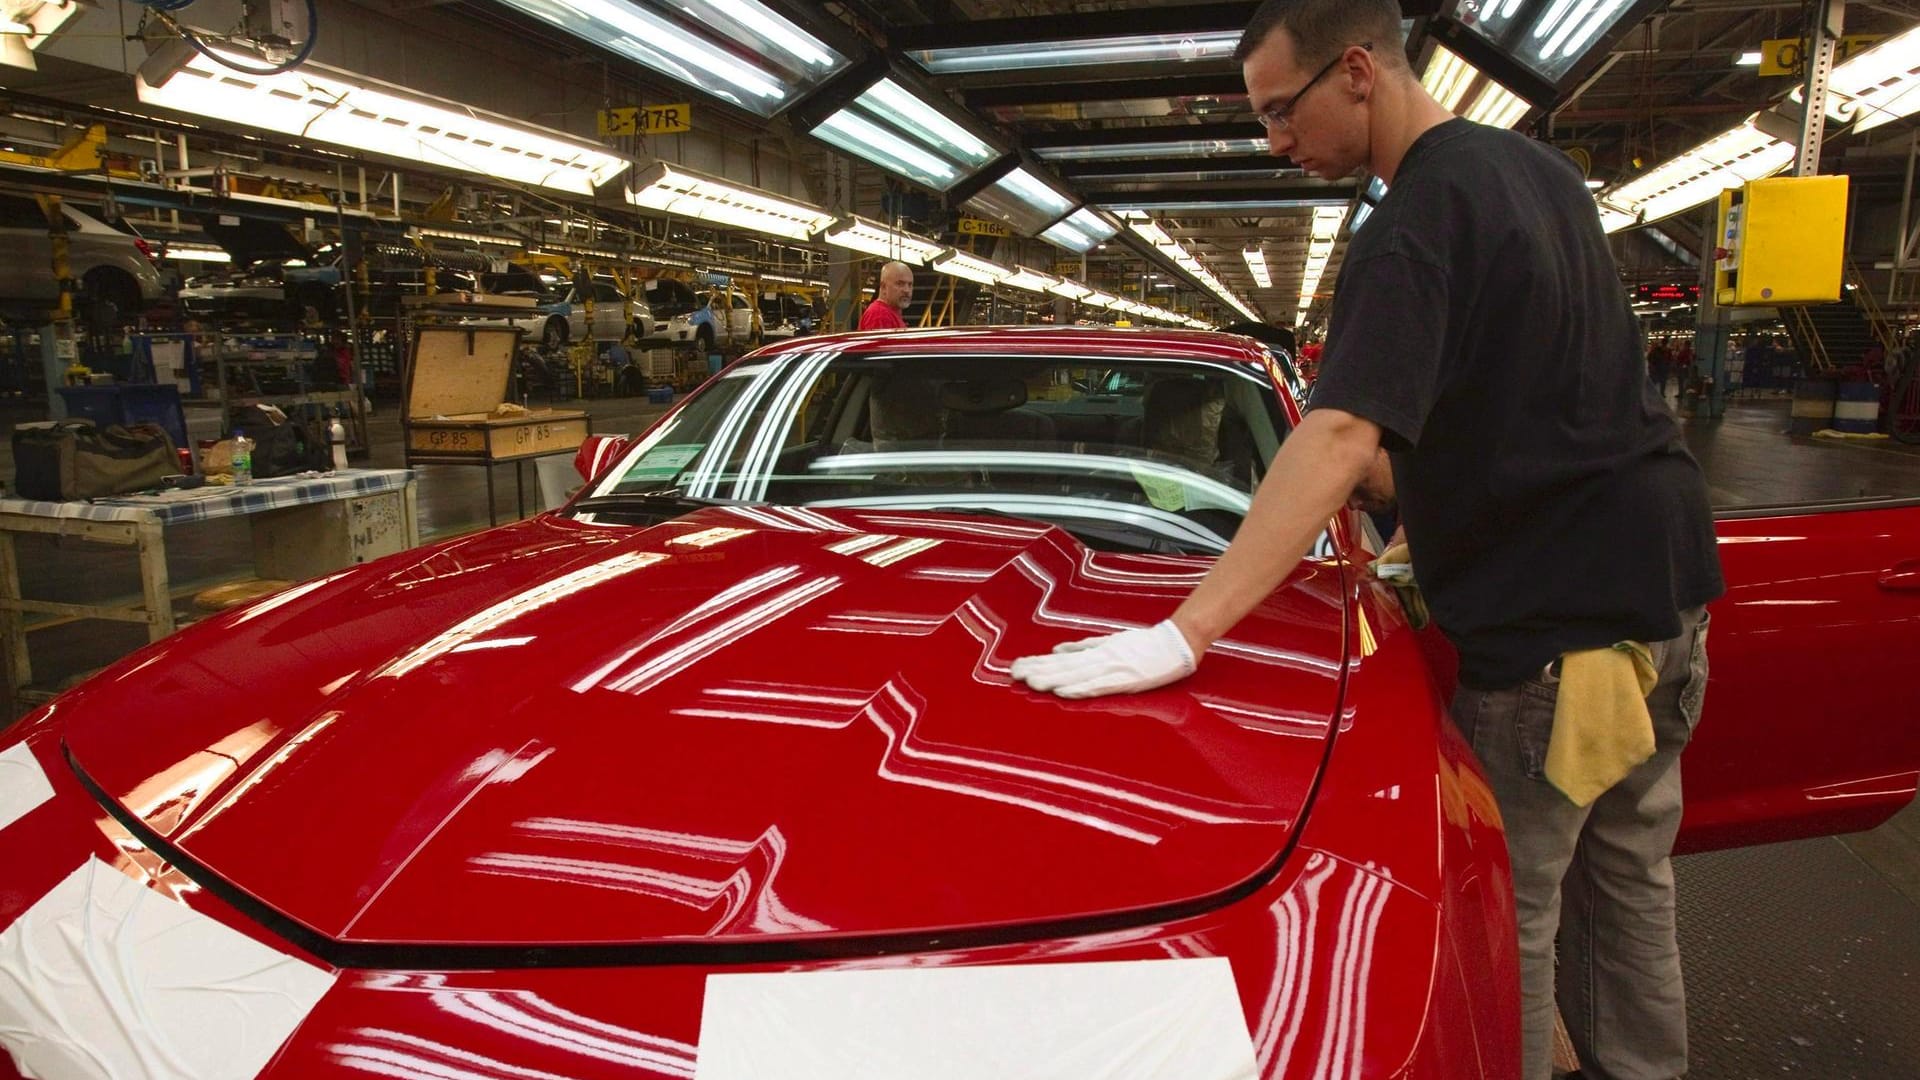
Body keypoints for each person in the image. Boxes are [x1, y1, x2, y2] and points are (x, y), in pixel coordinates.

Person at [1007, 3, 1725, 1078]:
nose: (1276, 142)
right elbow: (1528, 407)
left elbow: (1341, 434)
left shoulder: (1416, 218)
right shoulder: (1538, 177)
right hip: (1667, 600)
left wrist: (1188, 631)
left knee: (1511, 920)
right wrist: (1415, 527)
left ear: (1355, 71)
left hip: (1555, 639)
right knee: (1630, 881)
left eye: (1279, 113)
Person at [858, 261, 913, 331]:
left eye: (910, 284)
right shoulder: (880, 315)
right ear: (883, 287)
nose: (906, 290)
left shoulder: (887, 313)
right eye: (900, 284)